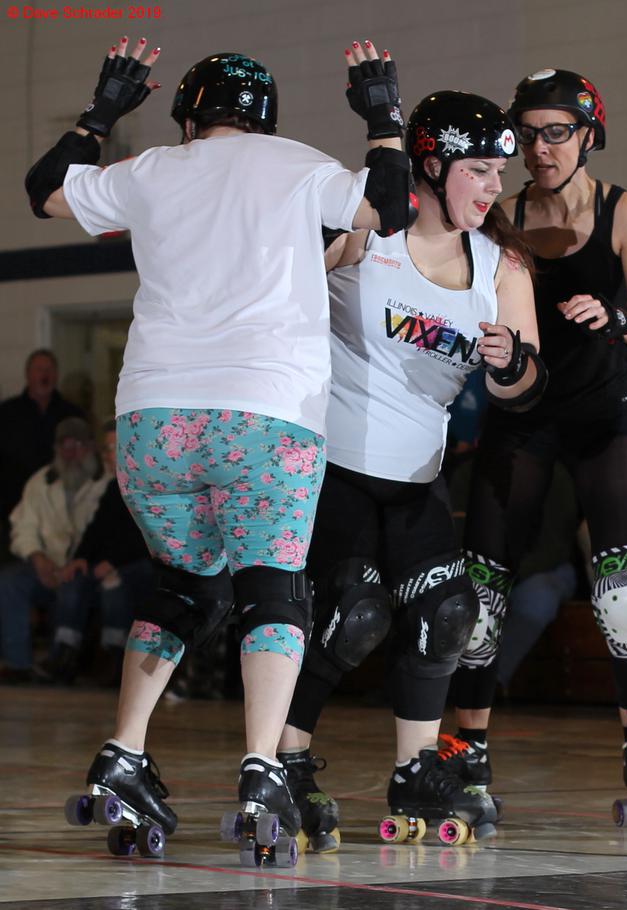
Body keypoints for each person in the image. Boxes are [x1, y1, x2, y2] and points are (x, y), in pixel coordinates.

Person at [25, 36, 413, 849]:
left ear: (188, 116)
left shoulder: (154, 170)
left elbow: (46, 193)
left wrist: (102, 112)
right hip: (266, 413)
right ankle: (261, 764)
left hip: (152, 422)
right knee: (273, 589)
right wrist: (382, 115)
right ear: (265, 117)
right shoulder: (296, 165)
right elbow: (392, 206)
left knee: (183, 588)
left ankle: (123, 752)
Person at [272, 91, 539, 852]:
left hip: (417, 475)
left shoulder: (500, 264)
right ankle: (285, 760)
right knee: (352, 617)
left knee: (449, 614)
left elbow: (526, 386)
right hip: (334, 467)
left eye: (499, 175)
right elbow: (276, 293)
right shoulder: (368, 235)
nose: (493, 189)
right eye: (480, 171)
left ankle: (414, 768)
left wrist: (512, 363)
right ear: (431, 165)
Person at [452, 68, 627, 823]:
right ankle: (466, 747)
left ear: (589, 133)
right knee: (482, 590)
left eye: (556, 132)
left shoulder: (625, 211)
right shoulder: (502, 212)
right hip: (523, 408)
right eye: (527, 134)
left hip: (601, 409)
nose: (539, 148)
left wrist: (622, 322)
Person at [34, 421, 152, 687]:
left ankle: (115, 659)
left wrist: (112, 563)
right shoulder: (113, 488)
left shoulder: (147, 487)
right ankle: (64, 655)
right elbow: (96, 530)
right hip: (109, 564)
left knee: (114, 585)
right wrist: (81, 558)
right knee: (73, 581)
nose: (108, 454)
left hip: (140, 567)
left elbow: (146, 537)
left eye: (114, 447)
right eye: (106, 448)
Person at [0, 417, 109, 682]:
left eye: (78, 445)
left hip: (89, 570)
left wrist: (80, 563)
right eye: (65, 446)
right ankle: (18, 663)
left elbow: (111, 535)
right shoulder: (40, 482)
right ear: (56, 449)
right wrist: (37, 558)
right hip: (46, 566)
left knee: (74, 587)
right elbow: (22, 525)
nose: (71, 453)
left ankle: (60, 661)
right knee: (9, 582)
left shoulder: (108, 481)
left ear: (91, 447)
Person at [0, 350, 86, 548]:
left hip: (63, 510)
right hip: (13, 508)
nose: (44, 374)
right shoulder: (6, 414)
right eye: (39, 369)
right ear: (28, 374)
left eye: (49, 369)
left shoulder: (72, 414)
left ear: (56, 375)